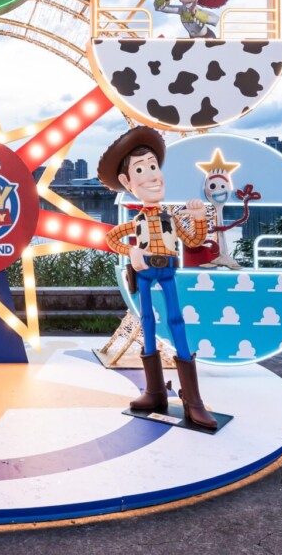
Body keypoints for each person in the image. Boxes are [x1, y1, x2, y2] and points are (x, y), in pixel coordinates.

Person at [98, 126, 217, 428]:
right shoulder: (136, 221)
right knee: (147, 321)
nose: (152, 176)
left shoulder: (172, 217)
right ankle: (154, 391)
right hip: (145, 272)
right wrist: (131, 251)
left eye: (153, 166)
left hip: (168, 271)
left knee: (176, 321)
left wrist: (200, 220)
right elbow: (111, 238)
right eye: (141, 169)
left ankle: (193, 400)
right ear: (127, 182)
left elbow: (193, 241)